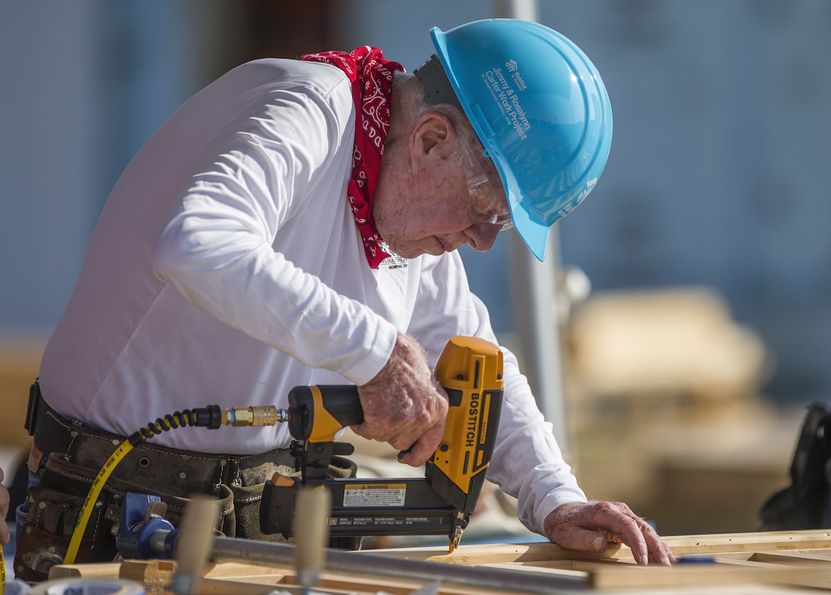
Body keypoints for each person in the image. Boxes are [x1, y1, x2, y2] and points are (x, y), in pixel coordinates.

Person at [16, 19, 673, 581]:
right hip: (102, 506)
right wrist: (375, 351)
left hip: (251, 518)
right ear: (431, 140)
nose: (477, 242)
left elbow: (473, 358)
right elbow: (197, 243)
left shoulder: (407, 217)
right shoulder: (305, 110)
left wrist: (554, 497)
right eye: (484, 211)